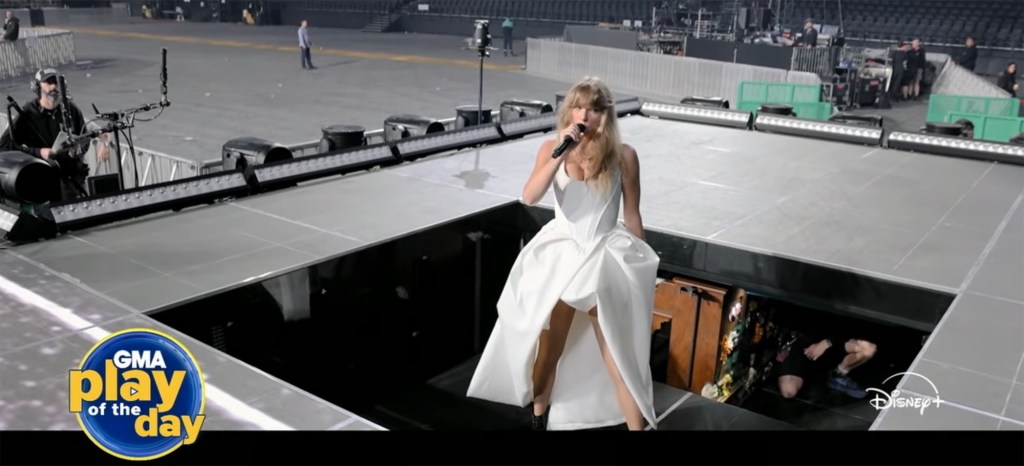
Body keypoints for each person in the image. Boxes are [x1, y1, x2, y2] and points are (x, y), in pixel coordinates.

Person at [467, 77, 660, 431]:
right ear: (570, 110)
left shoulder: (624, 156)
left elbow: (632, 216)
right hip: (561, 258)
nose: (586, 114)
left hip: (604, 258)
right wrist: (560, 153)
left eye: (596, 108)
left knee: (618, 360)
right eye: (580, 106)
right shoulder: (551, 148)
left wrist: (642, 273)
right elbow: (529, 196)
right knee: (548, 353)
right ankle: (538, 418)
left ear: (606, 115)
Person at [0, 68, 112, 202]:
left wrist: (79, 150)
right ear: (37, 86)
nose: (54, 86)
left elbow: (85, 137)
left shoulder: (72, 109)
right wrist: (39, 152)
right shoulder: (27, 114)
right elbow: (5, 146)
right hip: (43, 181)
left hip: (73, 181)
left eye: (57, 82)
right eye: (48, 82)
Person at [772, 307, 877, 400]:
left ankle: (838, 374)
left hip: (830, 339)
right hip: (802, 342)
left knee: (868, 349)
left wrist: (827, 342)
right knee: (789, 390)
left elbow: (846, 323)